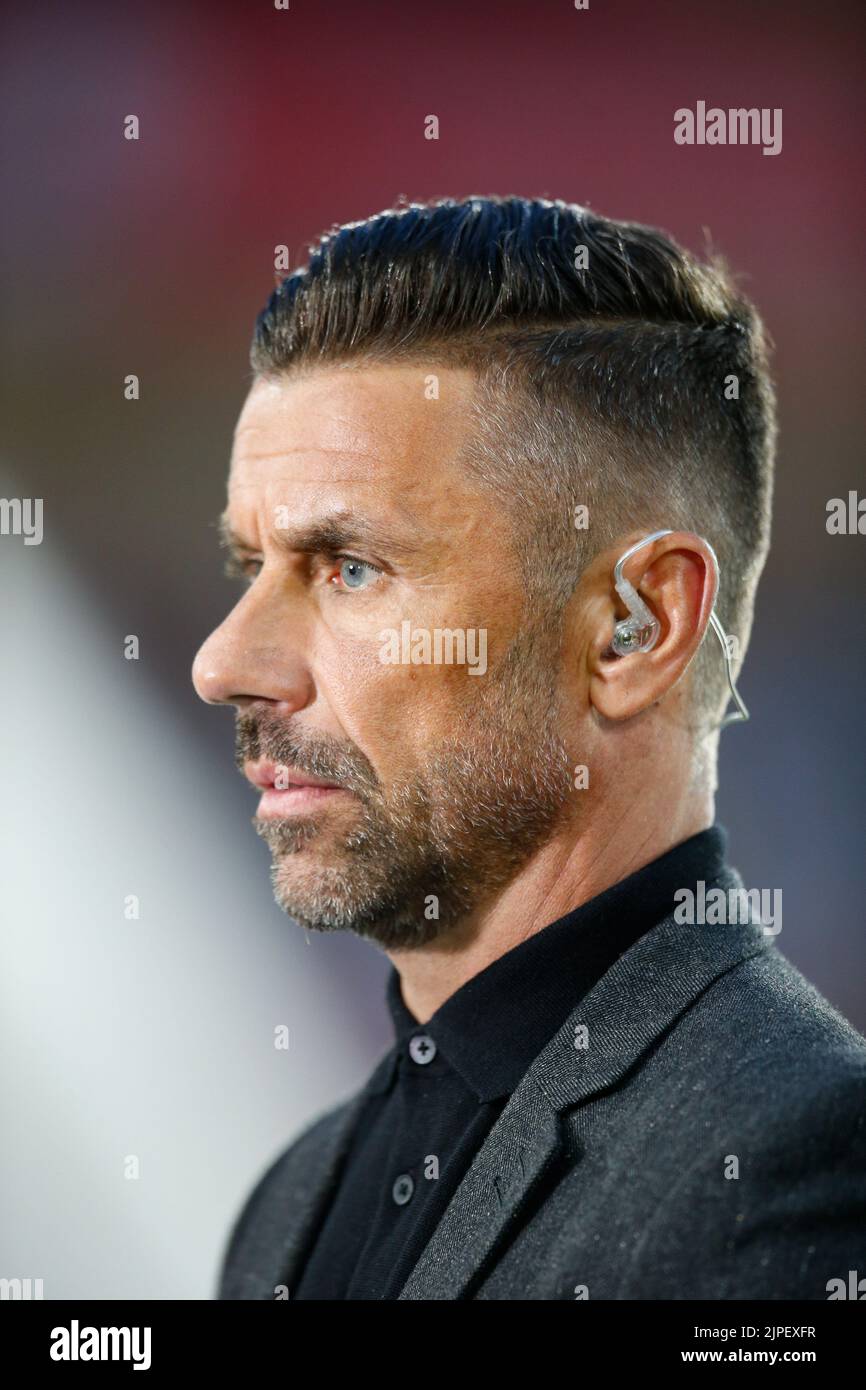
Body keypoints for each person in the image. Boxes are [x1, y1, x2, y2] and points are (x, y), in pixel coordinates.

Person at [192, 196, 866, 1300]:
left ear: (633, 627)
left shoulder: (796, 1159)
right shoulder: (288, 1201)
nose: (224, 662)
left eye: (350, 566)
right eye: (247, 565)